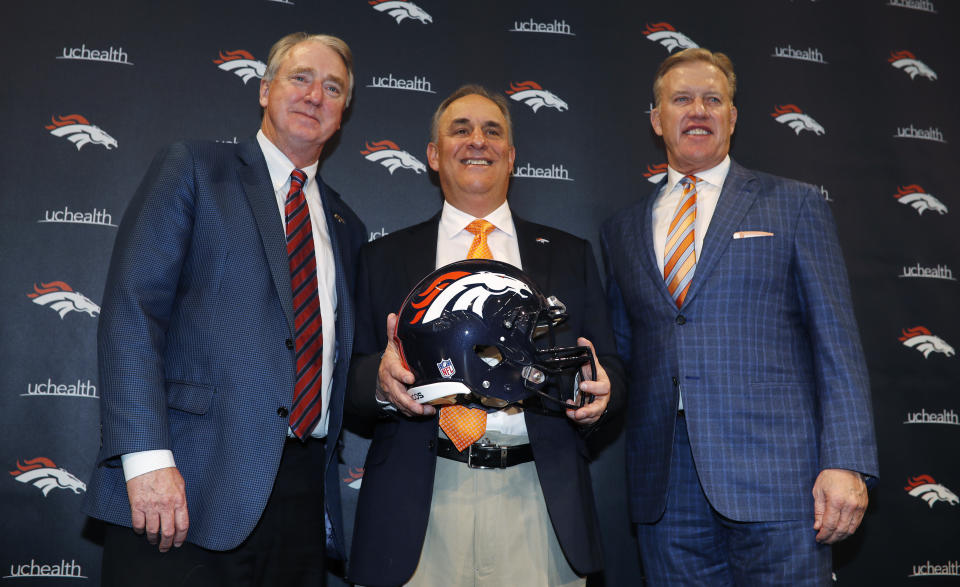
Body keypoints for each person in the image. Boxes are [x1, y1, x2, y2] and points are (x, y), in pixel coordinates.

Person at [82, 32, 366, 586]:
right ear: (265, 90)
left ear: (343, 113)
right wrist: (145, 459)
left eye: (332, 87)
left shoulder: (345, 225)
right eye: (300, 78)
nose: (315, 95)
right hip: (184, 486)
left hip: (302, 499)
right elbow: (133, 309)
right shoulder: (194, 168)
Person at [600, 48, 879, 585]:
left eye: (713, 99)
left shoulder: (792, 204)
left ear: (732, 115)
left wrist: (846, 461)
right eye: (681, 99)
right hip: (665, 486)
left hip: (781, 479)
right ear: (658, 120)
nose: (697, 110)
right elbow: (623, 354)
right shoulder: (622, 229)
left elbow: (836, 341)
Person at [346, 85, 625, 587]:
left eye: (492, 131)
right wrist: (378, 381)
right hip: (418, 506)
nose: (478, 141)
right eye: (461, 130)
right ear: (433, 156)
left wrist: (605, 395)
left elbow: (609, 364)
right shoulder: (382, 258)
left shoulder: (569, 255)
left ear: (512, 156)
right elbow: (347, 376)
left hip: (539, 501)